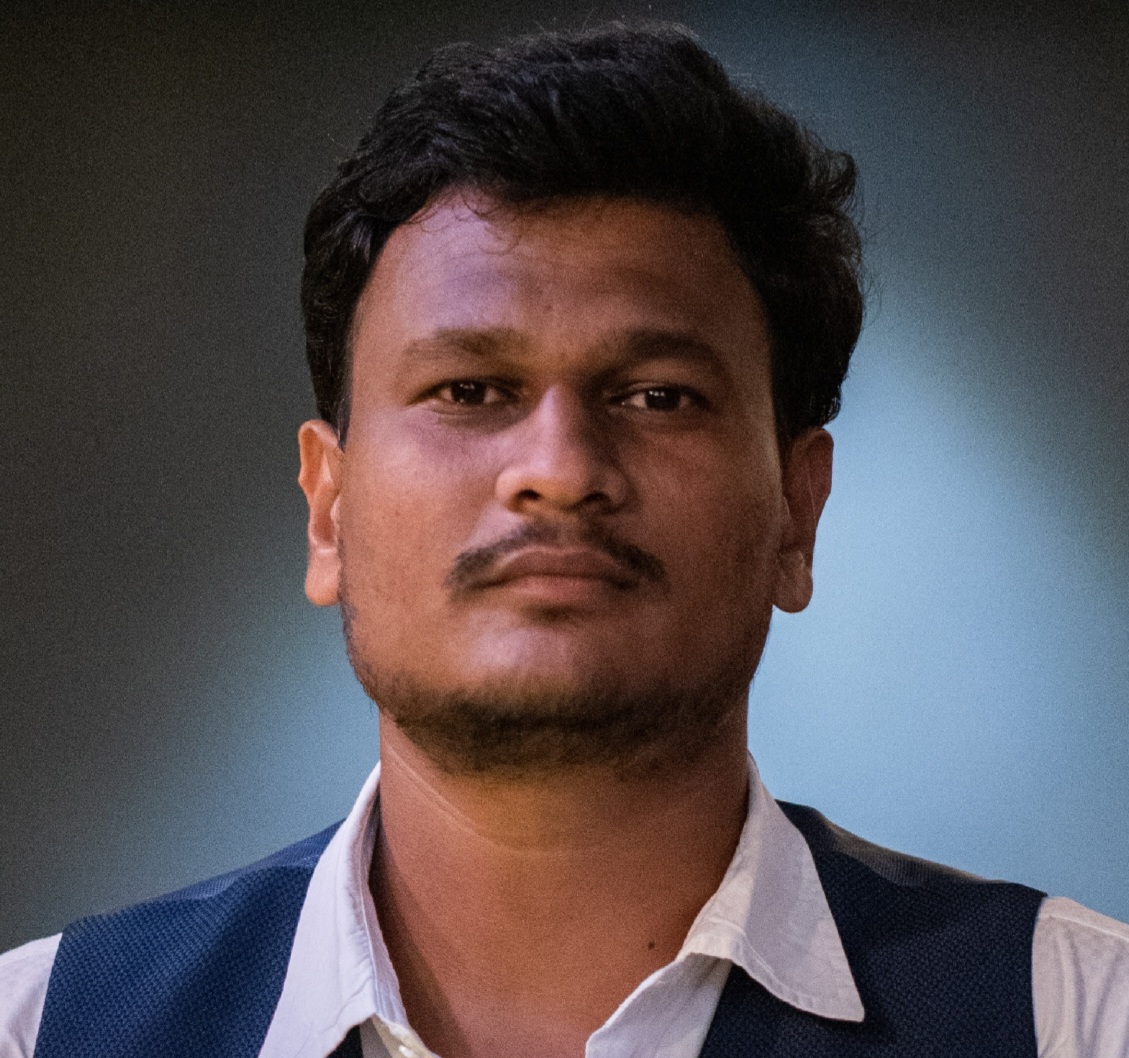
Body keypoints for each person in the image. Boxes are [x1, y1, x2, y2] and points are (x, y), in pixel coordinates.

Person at [2, 21, 1127, 1058]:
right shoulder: (42, 1029)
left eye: (657, 396)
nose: (559, 467)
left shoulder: (1075, 1019)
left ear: (798, 507)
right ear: (327, 506)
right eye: (469, 389)